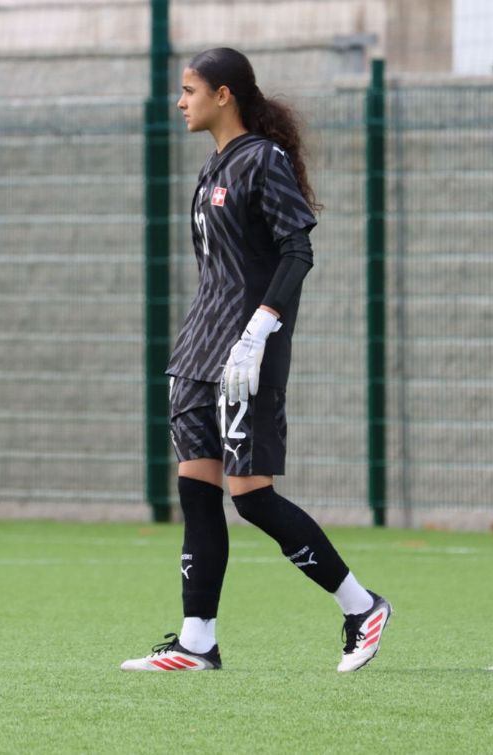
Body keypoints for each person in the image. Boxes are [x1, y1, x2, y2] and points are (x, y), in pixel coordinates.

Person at [121, 48, 392, 673]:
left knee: (250, 496)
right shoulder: (210, 169)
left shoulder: (261, 161)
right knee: (197, 492)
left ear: (225, 95)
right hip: (196, 353)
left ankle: (362, 606)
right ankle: (197, 641)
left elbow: (297, 250)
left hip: (246, 355)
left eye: (190, 89)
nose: (180, 101)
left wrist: (261, 329)